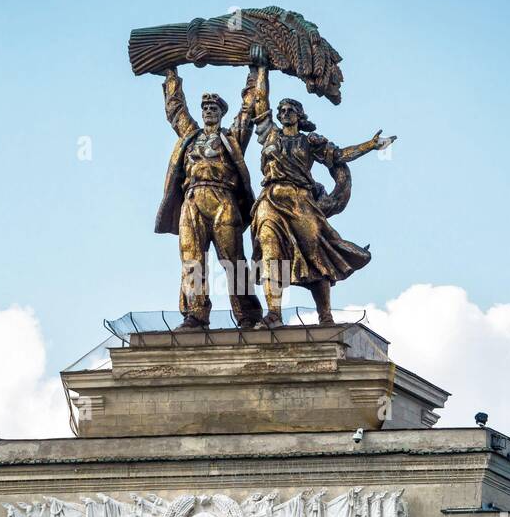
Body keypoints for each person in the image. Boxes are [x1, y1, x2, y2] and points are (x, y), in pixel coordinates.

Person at [247, 62, 396, 327]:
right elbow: (259, 102)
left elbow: (339, 156)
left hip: (301, 201)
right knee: (270, 252)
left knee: (315, 253)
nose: (284, 113)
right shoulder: (269, 135)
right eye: (281, 110)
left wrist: (371, 146)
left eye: (290, 109)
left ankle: (325, 314)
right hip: (270, 199)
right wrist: (261, 71)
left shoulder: (310, 142)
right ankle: (273, 314)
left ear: (299, 115)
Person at [153, 59, 264, 329]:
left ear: (221, 113)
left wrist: (256, 71)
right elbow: (176, 111)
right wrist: (171, 75)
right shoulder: (190, 136)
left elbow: (248, 109)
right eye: (205, 108)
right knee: (191, 258)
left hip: (223, 200)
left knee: (233, 259)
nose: (209, 112)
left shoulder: (232, 137)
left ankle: (247, 315)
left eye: (214, 108)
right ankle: (196, 313)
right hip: (192, 200)